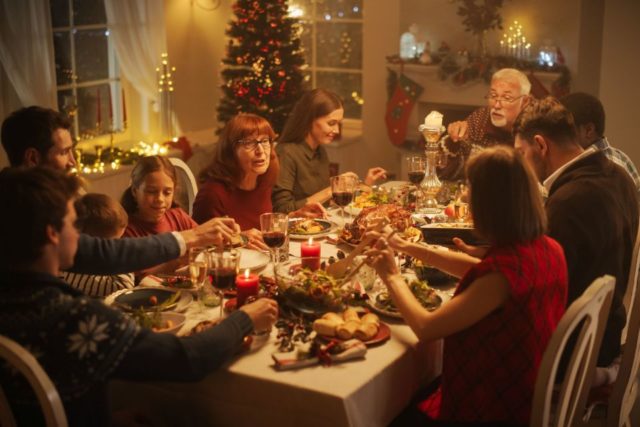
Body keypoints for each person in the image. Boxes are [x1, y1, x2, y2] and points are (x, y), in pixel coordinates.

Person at [0, 166, 279, 426]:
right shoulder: (76, 319)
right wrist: (244, 319)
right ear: (53, 234)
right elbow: (187, 358)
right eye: (74, 226)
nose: (82, 238)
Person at [366, 145, 568, 425]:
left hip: (489, 408)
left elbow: (426, 328)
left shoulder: (499, 280)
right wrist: (407, 246)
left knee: (387, 410)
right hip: (523, 390)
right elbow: (481, 270)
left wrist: (391, 276)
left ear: (489, 206)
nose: (466, 196)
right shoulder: (547, 248)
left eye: (471, 190)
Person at [1, 105, 242, 275]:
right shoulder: (19, 213)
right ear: (32, 158)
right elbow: (104, 254)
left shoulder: (40, 199)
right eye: (64, 152)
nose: (73, 162)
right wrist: (192, 237)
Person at [513, 97, 639, 385]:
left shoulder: (570, 201)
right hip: (605, 332)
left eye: (521, 153)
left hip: (572, 351)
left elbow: (532, 287)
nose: (522, 164)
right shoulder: (619, 177)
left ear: (541, 145)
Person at [193, 113, 326, 244]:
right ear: (230, 150)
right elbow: (201, 248)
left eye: (264, 141)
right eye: (249, 143)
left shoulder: (262, 180)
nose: (260, 150)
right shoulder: (212, 194)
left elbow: (261, 228)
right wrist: (241, 238)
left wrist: (293, 218)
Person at [272, 88, 387, 213]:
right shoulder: (286, 153)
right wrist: (332, 188)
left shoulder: (320, 151)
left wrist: (365, 185)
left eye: (338, 124)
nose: (337, 130)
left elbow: (326, 203)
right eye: (331, 123)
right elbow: (282, 210)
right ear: (310, 120)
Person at [441, 68, 531, 181]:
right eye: (493, 96)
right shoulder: (481, 118)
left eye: (507, 98)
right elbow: (448, 174)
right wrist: (453, 141)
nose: (497, 105)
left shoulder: (531, 129)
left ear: (525, 101)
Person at [560, 92, 640, 195]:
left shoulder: (598, 170)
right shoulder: (623, 158)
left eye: (565, 130)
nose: (559, 137)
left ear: (589, 130)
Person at [62, 193, 135, 297]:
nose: (118, 245)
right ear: (92, 243)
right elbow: (123, 287)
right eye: (114, 242)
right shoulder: (75, 272)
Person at [121, 155, 198, 238]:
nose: (160, 199)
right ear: (134, 191)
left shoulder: (178, 217)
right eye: (151, 191)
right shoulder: (126, 231)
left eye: (167, 192)